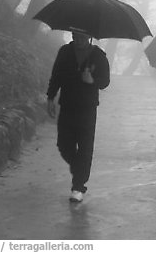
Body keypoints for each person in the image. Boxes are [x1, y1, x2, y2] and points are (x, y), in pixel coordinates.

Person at [46, 31, 110, 202]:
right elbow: (56, 76)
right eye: (76, 37)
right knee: (63, 145)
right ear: (72, 35)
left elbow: (105, 81)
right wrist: (50, 97)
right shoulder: (65, 52)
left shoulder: (98, 56)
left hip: (87, 108)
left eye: (83, 37)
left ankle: (78, 186)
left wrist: (92, 81)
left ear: (89, 37)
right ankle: (79, 170)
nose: (79, 40)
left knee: (85, 147)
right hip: (67, 104)